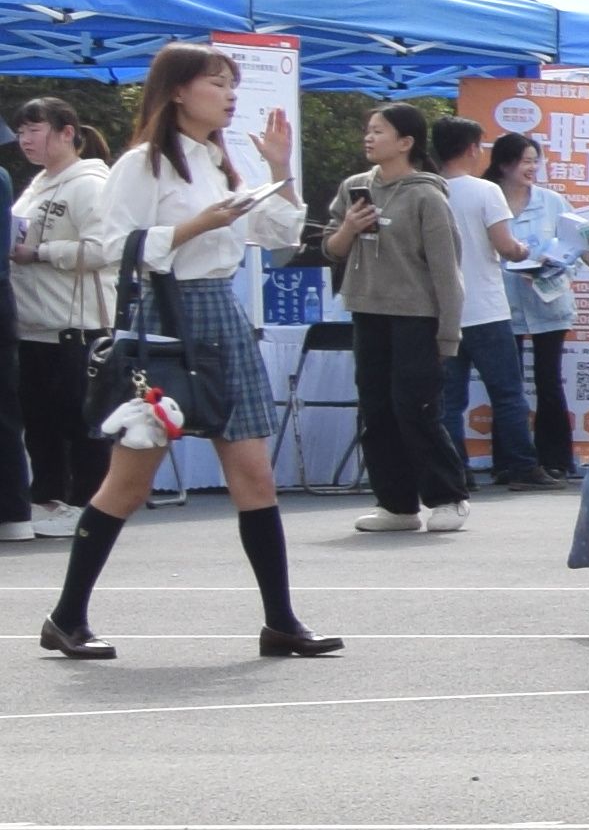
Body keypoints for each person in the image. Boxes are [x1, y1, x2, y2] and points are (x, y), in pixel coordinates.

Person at [40, 44, 340, 661]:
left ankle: (281, 621)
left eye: (233, 85)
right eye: (217, 83)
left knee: (254, 475)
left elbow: (276, 236)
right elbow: (115, 247)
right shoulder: (141, 164)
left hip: (221, 312)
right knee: (128, 482)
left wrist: (279, 169)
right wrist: (195, 226)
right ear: (178, 90)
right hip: (164, 316)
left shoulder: (220, 161)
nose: (230, 95)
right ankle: (66, 617)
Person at [320, 103, 468, 539]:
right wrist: (349, 227)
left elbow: (447, 271)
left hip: (417, 318)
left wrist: (448, 335)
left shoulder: (427, 195)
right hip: (367, 312)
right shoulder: (354, 188)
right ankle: (396, 504)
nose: (369, 138)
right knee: (376, 410)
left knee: (416, 408)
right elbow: (331, 249)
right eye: (368, 130)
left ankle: (447, 497)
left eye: (379, 131)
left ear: (406, 142)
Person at [433, 116, 556, 496]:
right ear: (472, 148)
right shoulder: (486, 191)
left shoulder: (428, 189)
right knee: (507, 393)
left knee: (450, 399)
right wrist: (524, 250)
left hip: (443, 310)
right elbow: (505, 246)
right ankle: (521, 465)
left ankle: (457, 470)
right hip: (486, 308)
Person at [8, 95, 108, 540]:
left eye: (35, 129)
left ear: (68, 132)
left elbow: (105, 248)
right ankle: (49, 498)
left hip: (75, 326)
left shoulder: (90, 184)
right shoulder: (38, 184)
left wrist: (41, 252)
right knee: (40, 422)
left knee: (78, 421)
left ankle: (87, 505)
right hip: (34, 324)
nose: (25, 140)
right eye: (21, 131)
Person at [485, 127, 585, 488]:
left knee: (549, 381)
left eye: (534, 161)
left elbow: (576, 247)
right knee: (506, 385)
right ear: (504, 164)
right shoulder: (488, 198)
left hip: (549, 301)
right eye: (524, 162)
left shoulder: (552, 201)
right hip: (501, 303)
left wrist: (551, 269)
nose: (531, 168)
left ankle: (556, 460)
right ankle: (509, 461)